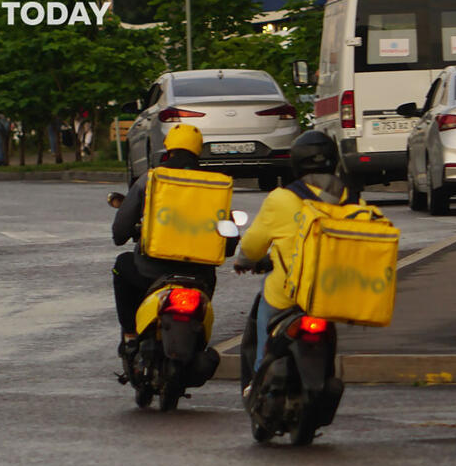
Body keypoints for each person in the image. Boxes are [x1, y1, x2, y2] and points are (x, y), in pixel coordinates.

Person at [233, 130, 351, 375]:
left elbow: (253, 245)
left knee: (266, 313)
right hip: (332, 294)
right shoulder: (350, 200)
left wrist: (244, 261)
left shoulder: (281, 198)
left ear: (296, 163)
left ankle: (258, 376)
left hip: (288, 294)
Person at [111, 123, 219, 345]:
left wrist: (124, 234)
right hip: (201, 275)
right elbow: (227, 239)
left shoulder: (150, 180)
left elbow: (120, 232)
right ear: (198, 150)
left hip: (151, 272)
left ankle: (130, 334)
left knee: (121, 265)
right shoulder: (215, 184)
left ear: (168, 149)